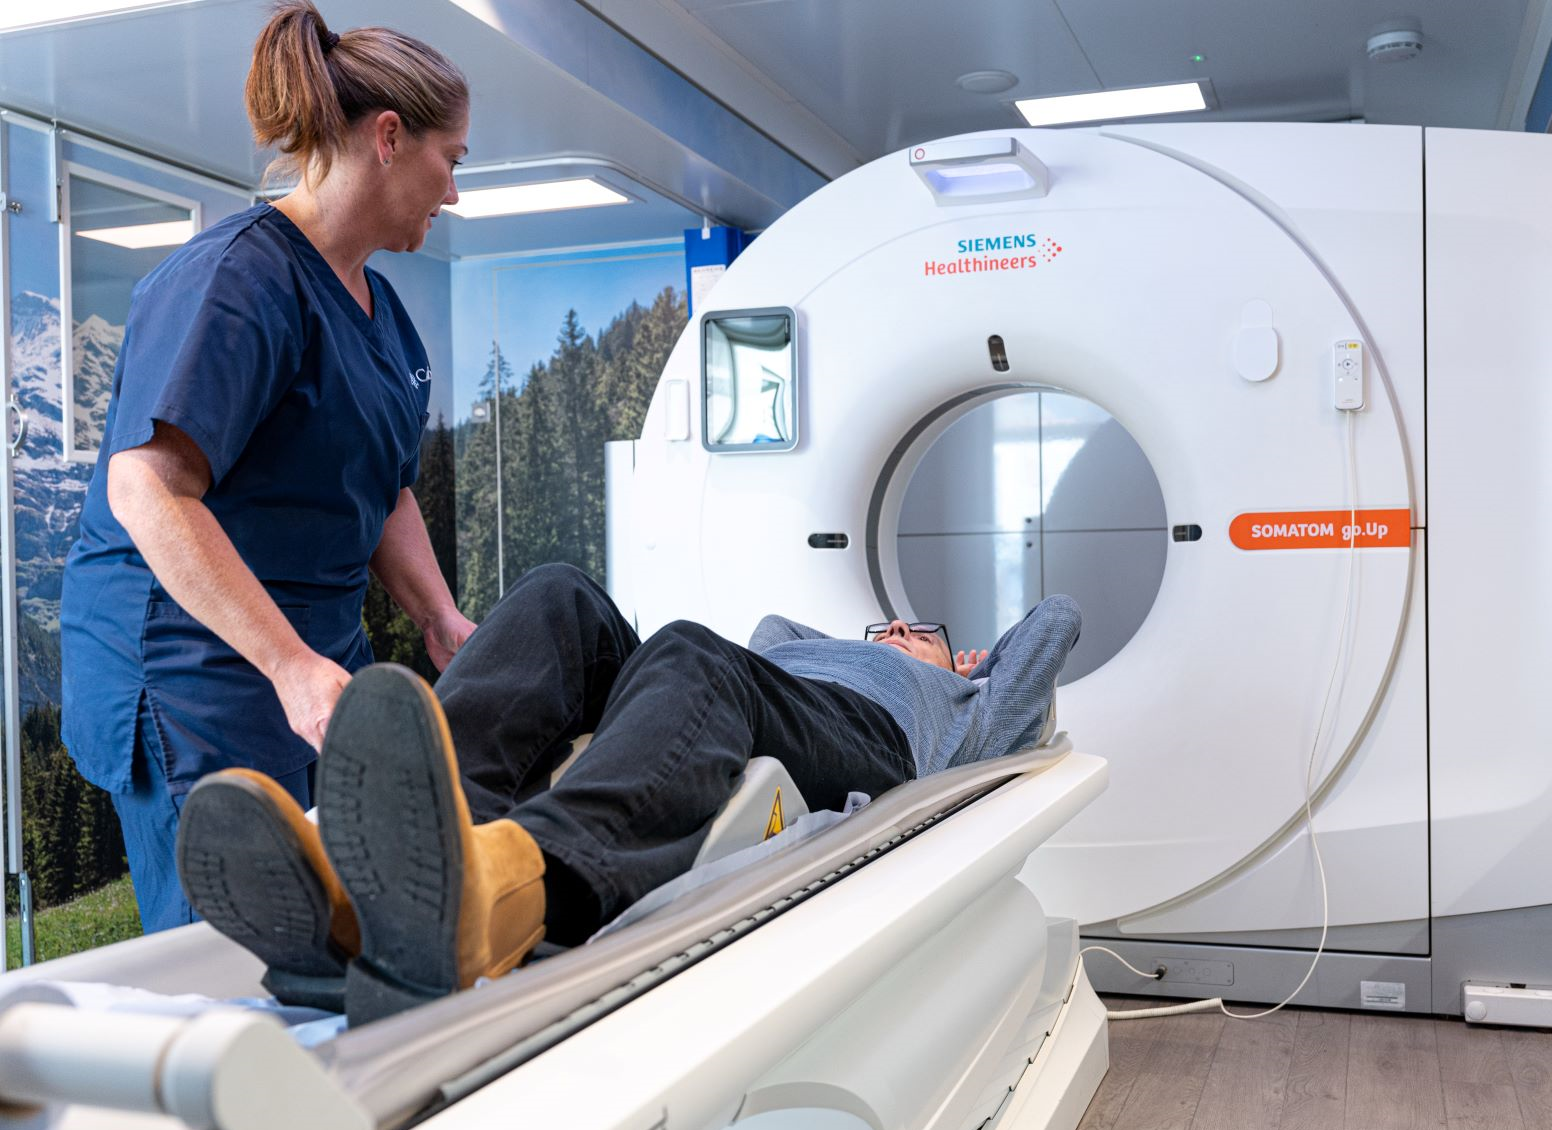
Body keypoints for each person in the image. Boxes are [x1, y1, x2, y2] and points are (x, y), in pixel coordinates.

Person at [175, 564, 1080, 1023]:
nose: (885, 630)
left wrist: (963, 662)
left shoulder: (959, 698)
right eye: (878, 624)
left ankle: (504, 892)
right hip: (751, 689)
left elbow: (1053, 623)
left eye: (910, 630)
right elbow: (770, 636)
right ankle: (388, 875)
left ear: (962, 658)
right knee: (559, 595)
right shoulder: (787, 644)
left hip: (857, 739)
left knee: (690, 647)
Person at [59, 1, 475, 932]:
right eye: (452, 160)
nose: (453, 191)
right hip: (194, 664)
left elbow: (385, 483)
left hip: (312, 653)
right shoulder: (238, 279)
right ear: (389, 137)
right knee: (234, 947)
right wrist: (288, 665)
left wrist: (439, 619)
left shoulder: (380, 308)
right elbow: (147, 486)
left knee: (349, 916)